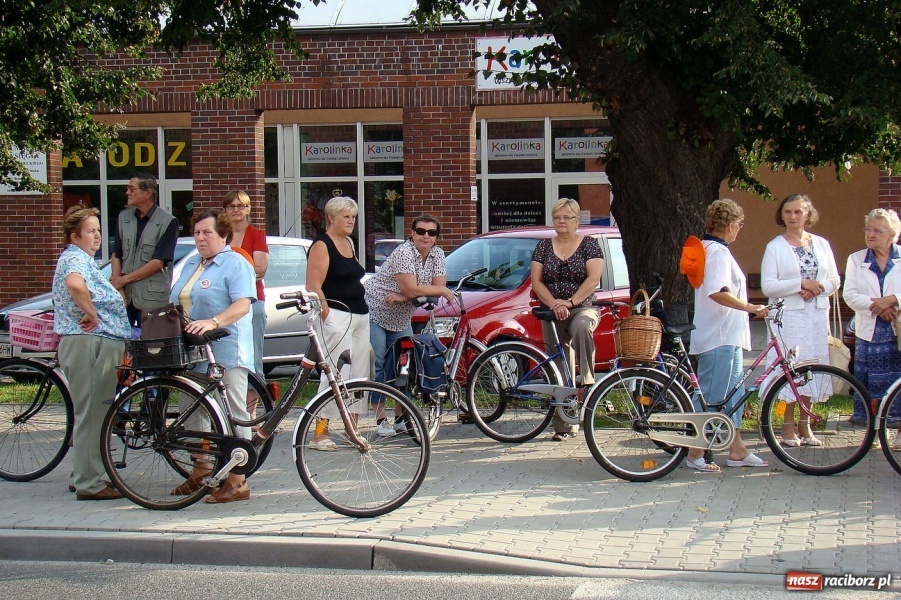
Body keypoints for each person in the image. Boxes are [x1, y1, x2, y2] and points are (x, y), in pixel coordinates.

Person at [169, 209, 256, 503]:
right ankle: (200, 470)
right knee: (191, 410)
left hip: (226, 350)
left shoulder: (235, 263)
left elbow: (243, 304)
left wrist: (213, 322)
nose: (200, 238)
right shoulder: (192, 262)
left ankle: (238, 480)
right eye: (196, 232)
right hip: (194, 352)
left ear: (223, 234)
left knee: (233, 413)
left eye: (207, 232)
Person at [52, 206, 131, 500]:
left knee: (91, 412)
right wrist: (92, 313)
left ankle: (84, 474)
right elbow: (75, 284)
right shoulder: (74, 258)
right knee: (93, 413)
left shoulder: (81, 259)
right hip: (91, 343)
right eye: (90, 231)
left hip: (91, 343)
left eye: (98, 230)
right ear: (75, 236)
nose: (97, 236)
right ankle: (89, 483)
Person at [687, 198, 769, 472]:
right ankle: (694, 453)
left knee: (732, 395)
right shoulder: (718, 252)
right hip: (718, 335)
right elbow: (717, 291)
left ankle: (737, 450)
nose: (740, 229)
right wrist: (750, 307)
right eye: (740, 224)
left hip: (726, 335)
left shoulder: (710, 248)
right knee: (712, 395)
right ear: (731, 225)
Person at [760, 193, 840, 446]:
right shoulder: (775, 246)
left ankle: (805, 425)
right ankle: (787, 426)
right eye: (788, 212)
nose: (793, 217)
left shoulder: (821, 244)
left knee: (812, 368)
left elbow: (835, 280)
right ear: (782, 216)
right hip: (789, 318)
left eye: (798, 212)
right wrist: (800, 284)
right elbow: (768, 285)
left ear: (807, 215)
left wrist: (817, 287)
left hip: (816, 315)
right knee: (792, 369)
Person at [364, 215, 455, 435]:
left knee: (404, 366)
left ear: (436, 237)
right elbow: (421, 289)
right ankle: (380, 420)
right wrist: (437, 291)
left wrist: (404, 296)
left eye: (431, 233)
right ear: (412, 234)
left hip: (401, 317)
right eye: (421, 231)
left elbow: (431, 289)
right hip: (375, 311)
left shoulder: (437, 254)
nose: (426, 236)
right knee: (379, 365)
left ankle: (401, 419)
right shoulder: (404, 252)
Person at [531, 198, 604, 441]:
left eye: (566, 217)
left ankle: (587, 378)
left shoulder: (589, 245)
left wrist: (570, 302)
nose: (561, 221)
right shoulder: (543, 247)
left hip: (582, 306)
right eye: (557, 217)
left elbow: (593, 279)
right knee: (559, 368)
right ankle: (564, 426)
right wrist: (554, 303)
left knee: (582, 326)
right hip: (552, 311)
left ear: (576, 220)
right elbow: (537, 281)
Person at [305, 196, 371, 450]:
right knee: (334, 373)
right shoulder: (322, 245)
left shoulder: (349, 242)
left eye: (353, 216)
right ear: (331, 218)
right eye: (346, 216)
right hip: (337, 314)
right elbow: (313, 285)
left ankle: (351, 429)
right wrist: (327, 316)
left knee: (359, 374)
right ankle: (320, 433)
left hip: (360, 314)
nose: (351, 221)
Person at [843, 208, 901, 426]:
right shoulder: (856, 259)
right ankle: (870, 423)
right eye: (868, 229)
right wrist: (879, 306)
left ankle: (895, 424)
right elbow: (849, 295)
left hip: (897, 330)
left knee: (897, 379)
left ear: (892, 234)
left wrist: (893, 300)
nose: (870, 234)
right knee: (869, 380)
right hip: (869, 331)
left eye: (877, 230)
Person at [110, 173, 179, 327]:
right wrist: (118, 287)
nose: (127, 193)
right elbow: (117, 254)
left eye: (131, 189)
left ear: (147, 193)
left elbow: (158, 262)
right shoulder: (123, 218)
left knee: (151, 341)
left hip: (152, 301)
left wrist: (124, 280)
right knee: (122, 340)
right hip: (125, 297)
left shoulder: (168, 222)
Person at [223, 190, 269, 413]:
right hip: (224, 305)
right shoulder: (220, 235)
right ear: (225, 210)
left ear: (249, 209)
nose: (236, 210)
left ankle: (250, 415)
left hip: (253, 303)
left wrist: (228, 272)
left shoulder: (256, 235)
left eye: (240, 205)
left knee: (252, 357)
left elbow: (260, 269)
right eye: (231, 206)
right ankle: (228, 411)